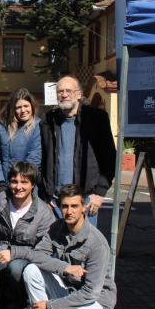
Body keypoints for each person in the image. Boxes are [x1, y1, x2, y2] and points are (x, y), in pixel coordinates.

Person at [22, 185, 116, 309]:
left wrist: (51, 307)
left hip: (97, 301)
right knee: (31, 271)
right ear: (59, 207)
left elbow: (91, 293)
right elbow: (35, 255)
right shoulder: (57, 227)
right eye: (65, 206)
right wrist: (64, 268)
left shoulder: (97, 243)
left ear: (83, 207)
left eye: (74, 206)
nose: (69, 211)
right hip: (70, 290)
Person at [41, 76, 116, 223]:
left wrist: (100, 193)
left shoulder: (96, 118)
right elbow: (42, 158)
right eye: (60, 91)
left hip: (85, 200)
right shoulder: (48, 120)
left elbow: (109, 157)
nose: (64, 94)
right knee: (55, 244)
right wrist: (46, 195)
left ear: (79, 94)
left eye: (69, 90)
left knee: (85, 244)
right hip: (55, 201)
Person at [0, 162, 54, 309]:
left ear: (33, 185)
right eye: (14, 181)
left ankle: (20, 305)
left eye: (24, 182)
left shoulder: (43, 213)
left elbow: (44, 249)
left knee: (16, 268)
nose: (18, 187)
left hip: (26, 257)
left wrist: (13, 253)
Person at [0, 87, 42, 190]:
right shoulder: (1, 126)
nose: (23, 110)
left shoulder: (38, 126)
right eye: (18, 107)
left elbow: (34, 157)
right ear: (13, 109)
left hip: (26, 184)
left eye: (26, 106)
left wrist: (19, 182)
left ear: (32, 106)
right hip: (3, 185)